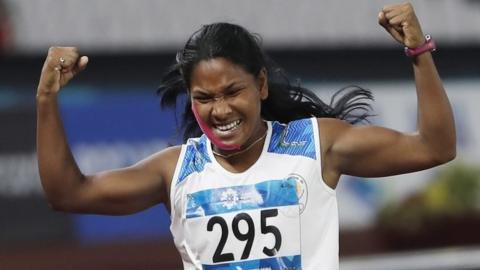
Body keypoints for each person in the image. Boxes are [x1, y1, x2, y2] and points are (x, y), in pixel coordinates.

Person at [36, 3, 456, 270]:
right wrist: (46, 100)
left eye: (232, 91)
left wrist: (419, 52)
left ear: (260, 85)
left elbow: (434, 147)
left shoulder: (316, 145)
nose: (220, 110)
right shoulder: (178, 169)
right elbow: (68, 194)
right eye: (204, 98)